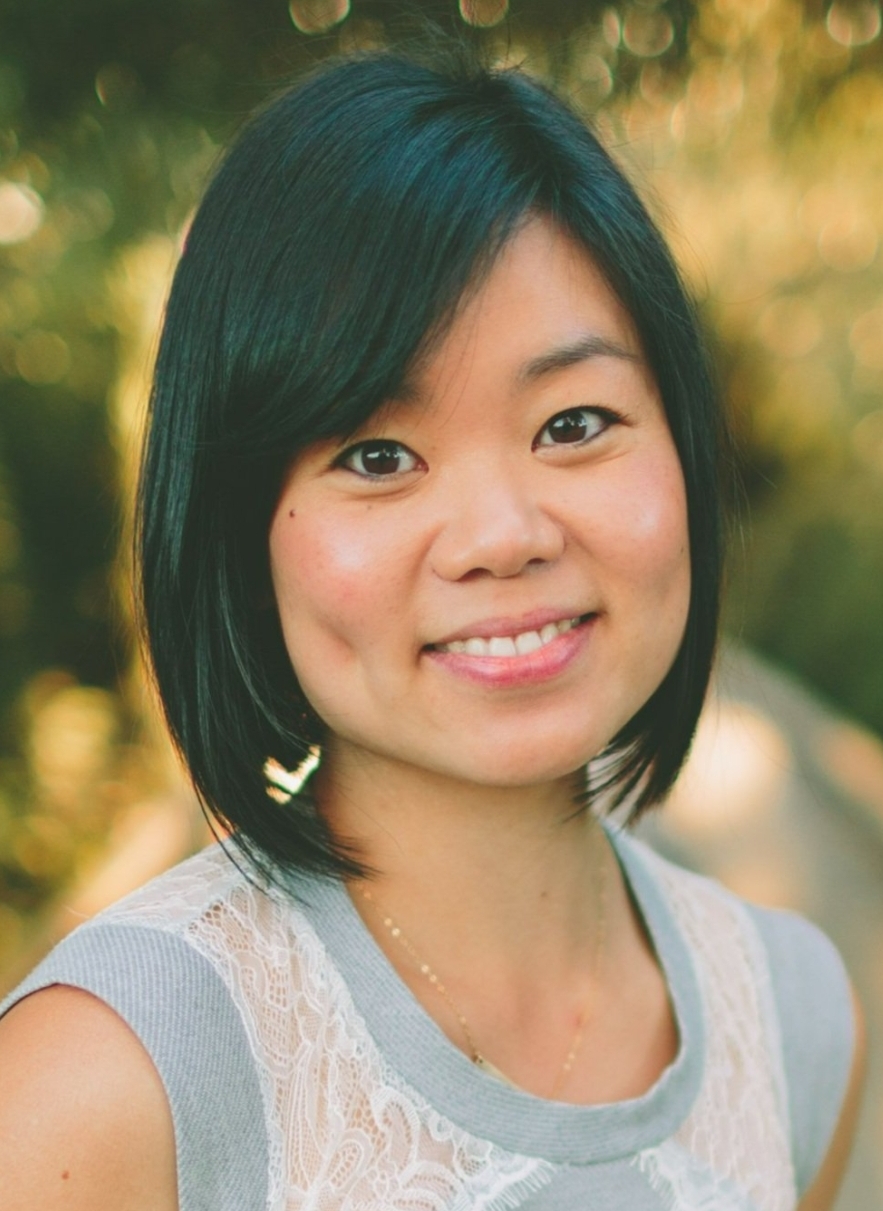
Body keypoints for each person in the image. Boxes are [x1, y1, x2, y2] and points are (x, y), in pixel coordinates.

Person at [0, 41, 865, 1211]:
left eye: (572, 423)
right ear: (238, 531)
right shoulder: (104, 1084)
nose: (501, 534)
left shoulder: (795, 1017)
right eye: (375, 454)